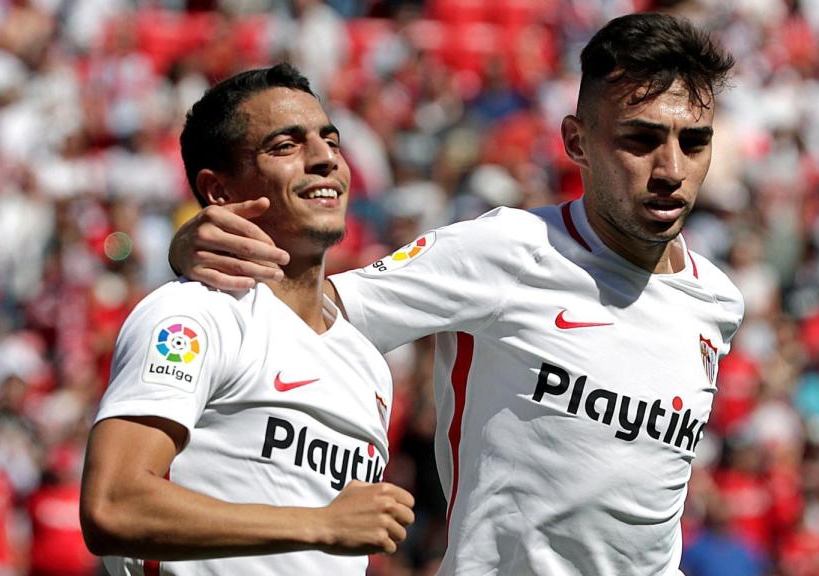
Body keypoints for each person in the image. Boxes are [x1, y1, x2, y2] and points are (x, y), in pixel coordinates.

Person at [170, 13, 743, 575]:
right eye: (640, 140)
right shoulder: (507, 249)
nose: (671, 168)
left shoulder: (717, 303)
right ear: (577, 140)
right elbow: (311, 315)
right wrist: (199, 256)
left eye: (694, 143)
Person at [79, 63, 415, 576]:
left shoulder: (367, 363)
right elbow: (114, 504)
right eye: (285, 145)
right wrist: (318, 523)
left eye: (331, 140)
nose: (325, 159)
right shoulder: (194, 312)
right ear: (218, 191)